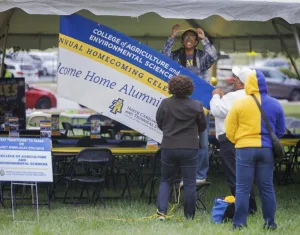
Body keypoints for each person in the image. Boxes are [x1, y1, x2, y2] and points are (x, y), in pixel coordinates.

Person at [225, 69, 286, 230]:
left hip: (244, 149)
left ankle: (239, 224)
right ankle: (270, 223)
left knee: (243, 188)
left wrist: (237, 140)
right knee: (267, 188)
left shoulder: (239, 103)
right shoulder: (275, 103)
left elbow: (229, 129)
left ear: (248, 84)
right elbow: (280, 130)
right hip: (266, 150)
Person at [161, 24, 217, 184]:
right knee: (179, 140)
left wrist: (204, 38)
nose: (189, 39)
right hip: (179, 104)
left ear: (196, 41)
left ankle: (200, 175)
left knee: (202, 142)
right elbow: (163, 56)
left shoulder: (202, 57)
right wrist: (171, 37)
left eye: (193, 37)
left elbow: (213, 56)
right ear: (182, 40)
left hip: (200, 105)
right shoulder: (177, 56)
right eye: (186, 37)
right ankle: (180, 173)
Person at [156, 75, 207, 220]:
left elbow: (160, 122)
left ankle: (161, 213)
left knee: (166, 180)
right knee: (190, 182)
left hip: (169, 146)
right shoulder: (197, 105)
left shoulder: (165, 104)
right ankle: (189, 216)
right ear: (190, 88)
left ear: (171, 87)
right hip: (190, 147)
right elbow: (202, 126)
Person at [210, 66, 257, 214]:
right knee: (245, 175)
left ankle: (243, 208)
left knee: (234, 175)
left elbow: (217, 110)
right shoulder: (254, 97)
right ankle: (251, 206)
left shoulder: (234, 97)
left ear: (242, 82)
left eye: (236, 78)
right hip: (247, 140)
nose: (234, 80)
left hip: (229, 140)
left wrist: (216, 95)